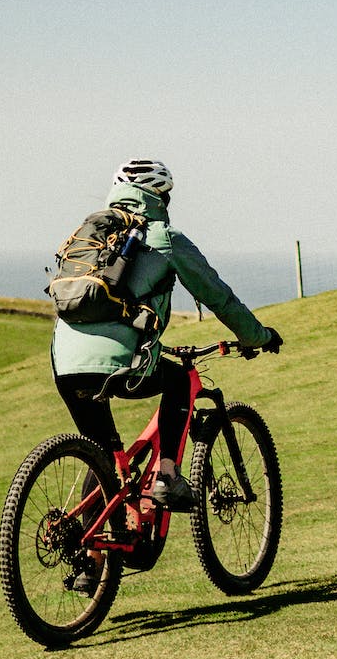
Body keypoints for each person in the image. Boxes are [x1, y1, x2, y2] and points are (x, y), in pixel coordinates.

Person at [50, 159, 281, 513]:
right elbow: (219, 297)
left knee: (103, 457)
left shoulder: (91, 234)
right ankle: (168, 476)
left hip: (65, 365)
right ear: (160, 196)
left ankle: (91, 562)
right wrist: (258, 337)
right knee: (177, 381)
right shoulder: (163, 238)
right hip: (122, 365)